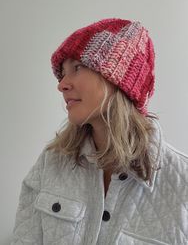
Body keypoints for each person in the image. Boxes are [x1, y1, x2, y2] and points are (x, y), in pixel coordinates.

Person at [10, 18, 188, 245]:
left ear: (119, 81)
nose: (61, 84)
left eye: (77, 67)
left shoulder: (182, 183)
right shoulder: (51, 163)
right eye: (62, 73)